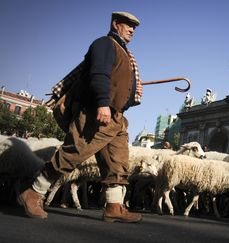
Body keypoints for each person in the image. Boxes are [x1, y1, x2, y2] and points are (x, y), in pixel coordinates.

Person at [19, 12, 143, 223]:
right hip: (97, 112)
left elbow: (119, 91)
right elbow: (99, 75)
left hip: (116, 118)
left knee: (118, 162)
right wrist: (103, 103)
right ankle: (33, 192)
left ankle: (114, 206)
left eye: (135, 27)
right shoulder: (105, 44)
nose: (132, 29)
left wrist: (132, 94)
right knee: (73, 152)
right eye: (128, 25)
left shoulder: (125, 53)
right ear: (116, 24)